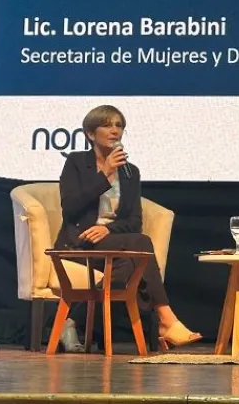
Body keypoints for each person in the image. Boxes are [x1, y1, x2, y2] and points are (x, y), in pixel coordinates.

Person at [55, 104, 201, 352]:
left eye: (119, 125)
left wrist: (109, 229)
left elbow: (134, 221)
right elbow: (70, 207)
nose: (115, 130)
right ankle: (166, 320)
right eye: (107, 125)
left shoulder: (130, 172)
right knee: (140, 246)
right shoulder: (77, 162)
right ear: (90, 134)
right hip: (79, 242)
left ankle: (71, 321)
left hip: (112, 243)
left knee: (130, 265)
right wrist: (105, 174)